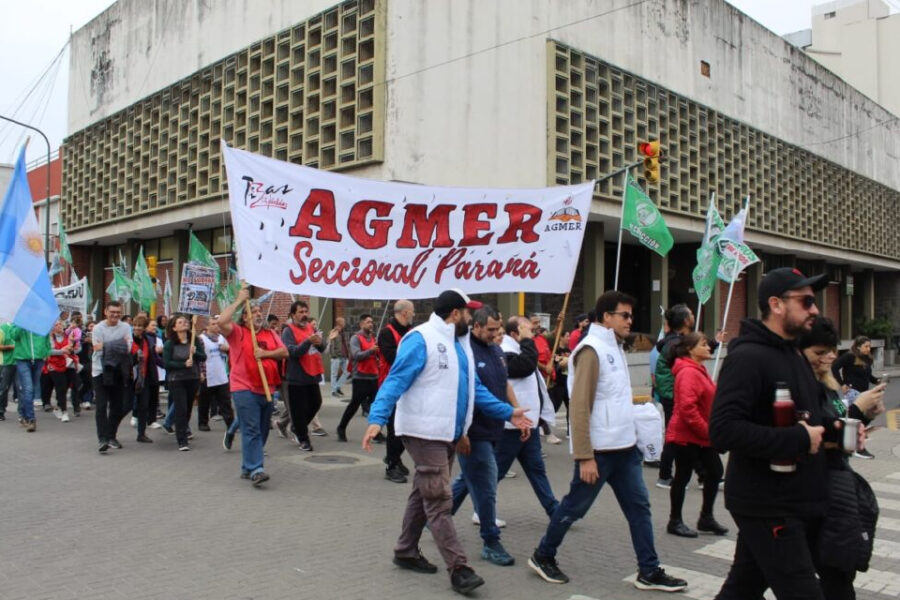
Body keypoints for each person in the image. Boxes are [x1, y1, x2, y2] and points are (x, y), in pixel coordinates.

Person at [362, 289, 532, 595]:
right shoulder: (421, 338)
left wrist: (509, 412)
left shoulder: (460, 345)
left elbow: (473, 391)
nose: (471, 318)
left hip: (448, 434)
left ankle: (405, 550)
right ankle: (460, 568)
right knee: (439, 500)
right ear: (455, 314)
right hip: (423, 432)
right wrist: (376, 418)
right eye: (468, 313)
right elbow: (396, 380)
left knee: (422, 493)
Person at [529, 290, 687, 592]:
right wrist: (585, 455)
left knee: (640, 508)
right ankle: (543, 555)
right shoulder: (591, 350)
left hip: (624, 449)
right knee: (575, 507)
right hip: (600, 452)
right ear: (606, 317)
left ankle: (649, 570)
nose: (630, 320)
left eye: (630, 315)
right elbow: (579, 406)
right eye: (624, 315)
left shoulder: (614, 346)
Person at [709, 267, 832, 600]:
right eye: (806, 301)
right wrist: (799, 439)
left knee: (742, 589)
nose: (815, 310)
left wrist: (838, 430)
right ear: (776, 304)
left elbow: (808, 418)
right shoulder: (749, 357)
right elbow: (722, 431)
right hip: (768, 503)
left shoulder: (792, 353)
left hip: (791, 499)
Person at [797, 316, 885, 600]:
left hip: (836, 486)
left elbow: (837, 428)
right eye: (819, 353)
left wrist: (863, 419)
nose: (829, 357)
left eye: (832, 350)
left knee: (839, 575)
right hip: (814, 493)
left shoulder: (829, 384)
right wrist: (857, 411)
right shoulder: (800, 387)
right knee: (834, 578)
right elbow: (814, 435)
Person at [450, 305, 519, 565]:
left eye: (497, 329)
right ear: (475, 326)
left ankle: (433, 520)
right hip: (473, 432)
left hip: (494, 430)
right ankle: (491, 541)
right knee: (487, 486)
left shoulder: (497, 350)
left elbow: (503, 384)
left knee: (467, 481)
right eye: (490, 330)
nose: (495, 334)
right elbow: (471, 394)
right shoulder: (464, 351)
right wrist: (461, 432)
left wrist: (515, 412)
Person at [218, 286, 288, 486]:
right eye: (253, 312)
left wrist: (265, 354)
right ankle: (257, 469)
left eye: (259, 312)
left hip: (267, 388)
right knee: (252, 429)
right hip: (243, 388)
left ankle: (247, 467)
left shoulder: (269, 334)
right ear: (245, 318)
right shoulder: (238, 332)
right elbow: (222, 321)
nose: (257, 314)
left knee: (263, 430)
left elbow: (284, 352)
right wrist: (240, 301)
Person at [664, 332, 727, 538]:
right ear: (691, 349)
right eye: (704, 344)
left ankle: (706, 518)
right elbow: (687, 409)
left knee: (715, 472)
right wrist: (709, 433)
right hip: (686, 434)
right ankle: (675, 520)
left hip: (700, 434)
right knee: (682, 477)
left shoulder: (697, 369)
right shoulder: (688, 372)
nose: (709, 348)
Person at [497, 316, 559, 517]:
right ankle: (476, 510)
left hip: (528, 424)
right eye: (526, 330)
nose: (531, 333)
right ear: (514, 333)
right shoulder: (505, 352)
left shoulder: (519, 349)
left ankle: (553, 509)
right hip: (512, 426)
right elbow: (525, 366)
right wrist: (526, 340)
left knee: (536, 469)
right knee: (494, 472)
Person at [379, 299, 415, 483]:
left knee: (406, 427)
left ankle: (395, 457)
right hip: (391, 386)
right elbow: (394, 359)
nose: (414, 315)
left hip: (408, 387)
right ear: (404, 313)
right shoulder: (386, 333)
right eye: (412, 311)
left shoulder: (411, 332)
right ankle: (391, 466)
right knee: (394, 428)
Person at [282, 300, 325, 451]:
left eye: (306, 312)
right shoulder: (288, 331)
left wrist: (319, 342)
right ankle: (303, 439)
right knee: (298, 410)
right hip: (296, 377)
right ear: (293, 315)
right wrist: (308, 341)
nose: (304, 315)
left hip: (311, 375)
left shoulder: (310, 328)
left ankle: (297, 427)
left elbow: (322, 348)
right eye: (300, 312)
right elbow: (292, 352)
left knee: (316, 403)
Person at [92, 301, 134, 451]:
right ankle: (102, 438)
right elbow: (97, 349)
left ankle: (111, 436)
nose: (115, 315)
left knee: (117, 406)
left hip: (119, 371)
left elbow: (128, 348)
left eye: (118, 312)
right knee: (101, 406)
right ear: (105, 312)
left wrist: (106, 346)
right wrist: (118, 345)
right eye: (112, 312)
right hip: (100, 371)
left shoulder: (126, 327)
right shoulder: (98, 328)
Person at [831, 335, 880, 459]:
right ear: (858, 347)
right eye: (866, 346)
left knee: (861, 418)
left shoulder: (867, 358)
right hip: (852, 391)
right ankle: (858, 447)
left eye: (870, 346)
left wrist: (878, 381)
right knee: (857, 418)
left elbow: (868, 376)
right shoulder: (849, 356)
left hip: (864, 392)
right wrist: (842, 384)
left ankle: (853, 442)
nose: (869, 349)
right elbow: (834, 367)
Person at [163, 314, 206, 451]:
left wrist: (195, 353)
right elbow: (167, 363)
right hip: (176, 380)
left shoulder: (195, 340)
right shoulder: (170, 344)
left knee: (187, 408)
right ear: (174, 328)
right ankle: (182, 440)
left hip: (192, 378)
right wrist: (183, 364)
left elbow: (203, 357)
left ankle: (183, 428)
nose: (184, 323)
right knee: (180, 408)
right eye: (180, 322)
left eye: (185, 322)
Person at [337, 314, 380, 442]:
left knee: (375, 406)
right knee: (354, 405)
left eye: (371, 322)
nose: (370, 324)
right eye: (368, 322)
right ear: (361, 324)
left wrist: (377, 352)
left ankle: (375, 433)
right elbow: (356, 355)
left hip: (373, 376)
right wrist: (371, 351)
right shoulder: (356, 338)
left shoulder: (373, 338)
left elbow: (376, 355)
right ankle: (341, 427)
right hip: (361, 377)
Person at [10, 322, 51, 432]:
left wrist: (46, 352)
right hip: (22, 359)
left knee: (29, 390)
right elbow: (13, 336)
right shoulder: (19, 321)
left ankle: (23, 414)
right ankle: (31, 419)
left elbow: (47, 339)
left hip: (38, 360)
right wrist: (21, 325)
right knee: (28, 389)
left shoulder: (41, 321)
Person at [198, 316, 234, 433]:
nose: (216, 326)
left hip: (221, 373)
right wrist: (200, 372)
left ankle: (230, 423)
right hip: (207, 373)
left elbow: (231, 350)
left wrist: (227, 348)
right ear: (207, 326)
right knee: (205, 401)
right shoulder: (202, 339)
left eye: (217, 324)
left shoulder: (221, 338)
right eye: (213, 324)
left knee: (225, 401)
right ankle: (203, 422)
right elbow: (199, 357)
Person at [43, 319, 79, 421]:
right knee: (61, 387)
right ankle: (64, 411)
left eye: (60, 324)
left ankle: (59, 406)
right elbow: (48, 351)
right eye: (56, 325)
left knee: (70, 385)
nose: (59, 326)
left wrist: (72, 347)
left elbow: (77, 348)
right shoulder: (50, 337)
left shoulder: (69, 336)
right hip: (55, 365)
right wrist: (61, 351)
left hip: (68, 363)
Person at [132, 315, 161, 442]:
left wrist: (167, 366)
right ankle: (111, 432)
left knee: (144, 405)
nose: (138, 328)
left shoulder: (148, 340)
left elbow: (154, 358)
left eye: (140, 326)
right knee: (125, 405)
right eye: (136, 326)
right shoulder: (129, 339)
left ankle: (141, 433)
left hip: (146, 377)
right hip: (131, 377)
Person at [326, 316, 351, 397]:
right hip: (336, 356)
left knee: (347, 372)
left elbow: (347, 344)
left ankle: (337, 387)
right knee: (334, 374)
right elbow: (331, 346)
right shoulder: (333, 332)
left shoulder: (344, 332)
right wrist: (334, 355)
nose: (344, 323)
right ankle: (334, 391)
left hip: (344, 356)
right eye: (343, 322)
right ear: (339, 323)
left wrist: (348, 354)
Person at [0, 320, 16, 420]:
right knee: (4, 387)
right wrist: (11, 347)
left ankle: (24, 414)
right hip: (6, 362)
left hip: (21, 362)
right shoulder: (3, 328)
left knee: (22, 388)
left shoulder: (24, 328)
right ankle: (1, 410)